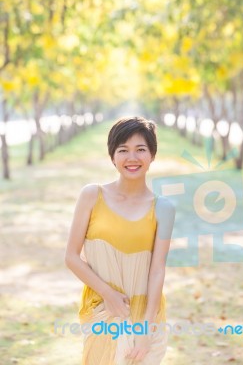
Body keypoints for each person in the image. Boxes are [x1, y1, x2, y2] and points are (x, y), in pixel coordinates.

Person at [65, 116, 175, 364]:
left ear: (152, 155)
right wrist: (109, 294)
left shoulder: (164, 208)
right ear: (112, 156)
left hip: (147, 313)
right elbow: (71, 256)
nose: (132, 158)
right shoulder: (92, 195)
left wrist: (146, 328)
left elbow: (157, 270)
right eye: (123, 150)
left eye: (141, 150)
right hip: (103, 309)